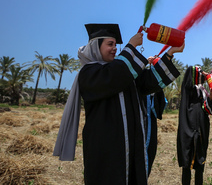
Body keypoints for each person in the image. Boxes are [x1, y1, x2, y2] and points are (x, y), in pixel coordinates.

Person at [53, 23, 182, 185]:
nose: (114, 48)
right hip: (106, 149)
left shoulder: (123, 72)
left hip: (131, 146)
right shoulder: (89, 73)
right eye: (110, 44)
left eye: (116, 45)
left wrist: (170, 54)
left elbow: (148, 82)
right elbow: (114, 75)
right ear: (95, 47)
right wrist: (131, 46)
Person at [177, 65, 212, 185]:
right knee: (187, 164)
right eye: (200, 72)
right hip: (188, 130)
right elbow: (188, 80)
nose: (204, 73)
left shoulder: (203, 91)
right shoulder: (189, 89)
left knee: (200, 164)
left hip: (201, 130)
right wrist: (202, 74)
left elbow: (208, 110)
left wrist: (211, 96)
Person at [142, 56, 169, 176]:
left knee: (150, 153)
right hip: (140, 123)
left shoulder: (157, 86)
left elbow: (162, 103)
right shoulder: (140, 79)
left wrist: (154, 93)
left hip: (151, 124)